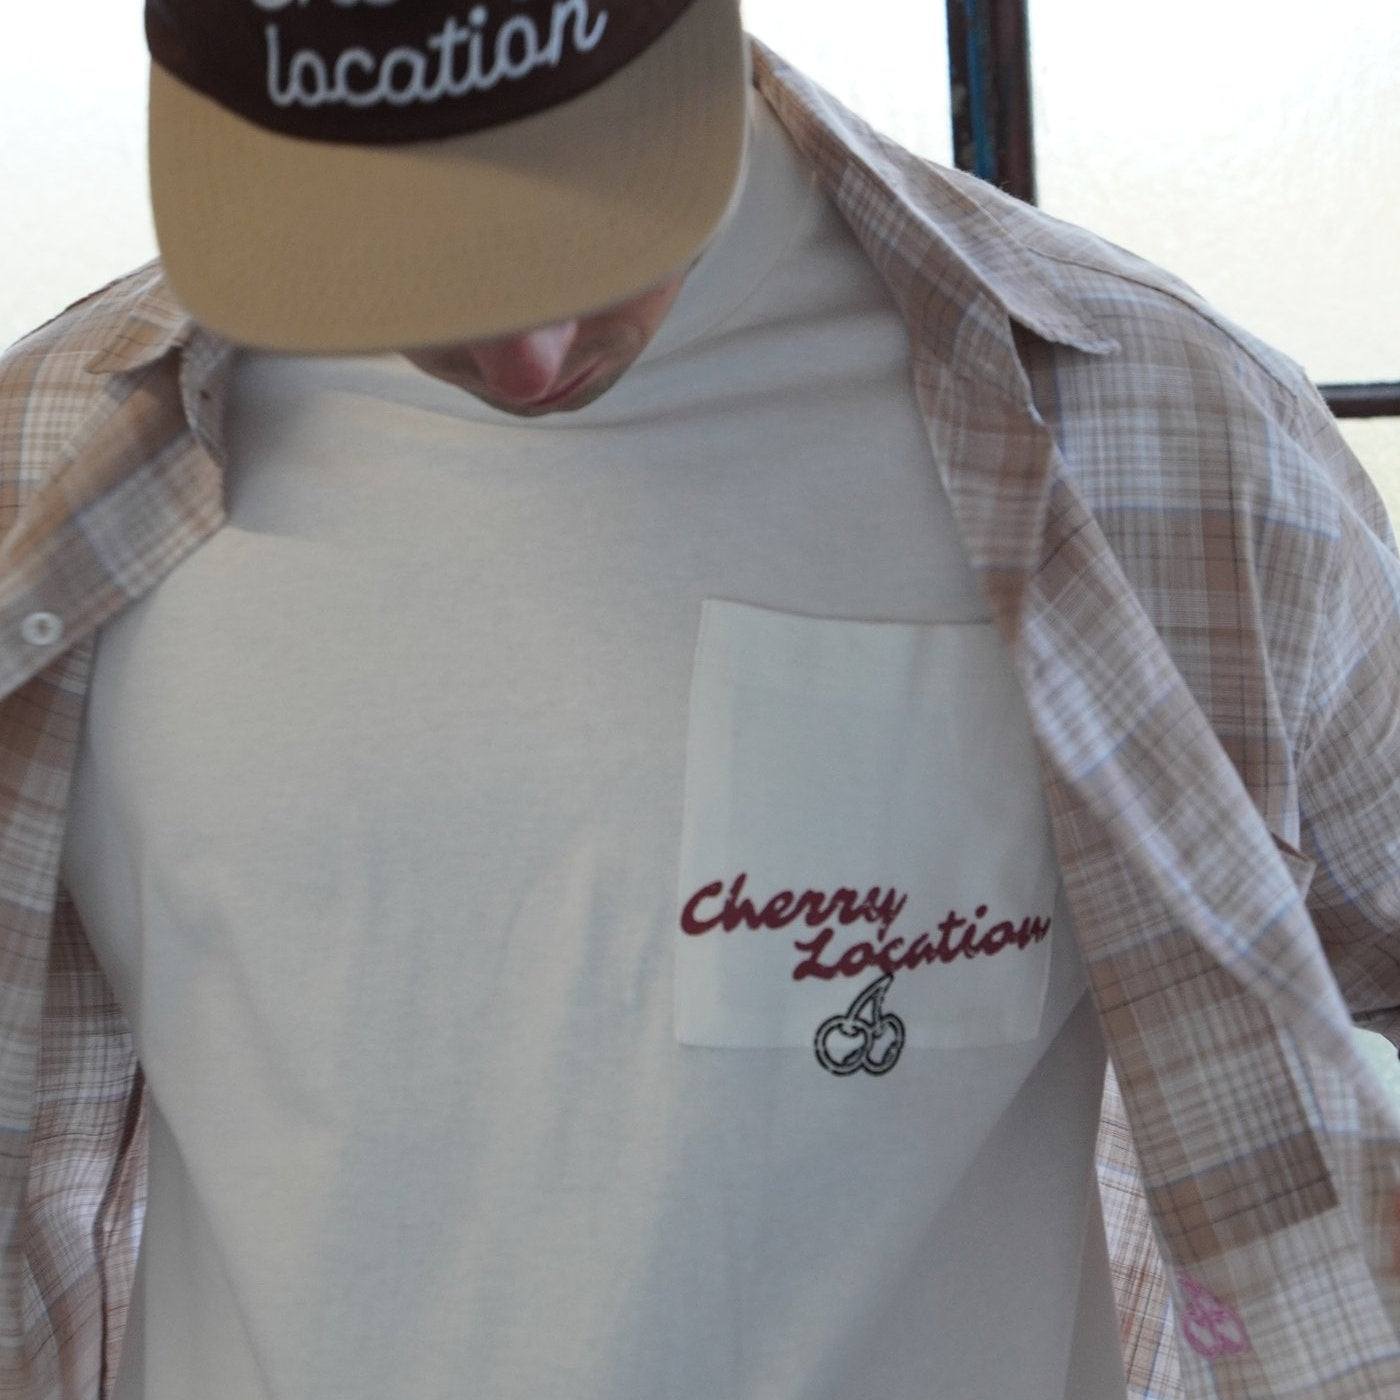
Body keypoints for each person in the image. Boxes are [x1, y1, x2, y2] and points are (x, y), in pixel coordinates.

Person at [2, 2, 1397, 1398]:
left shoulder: (1176, 441)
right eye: (411, 245)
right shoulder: (41, 485)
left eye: (585, 199)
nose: (528, 357)